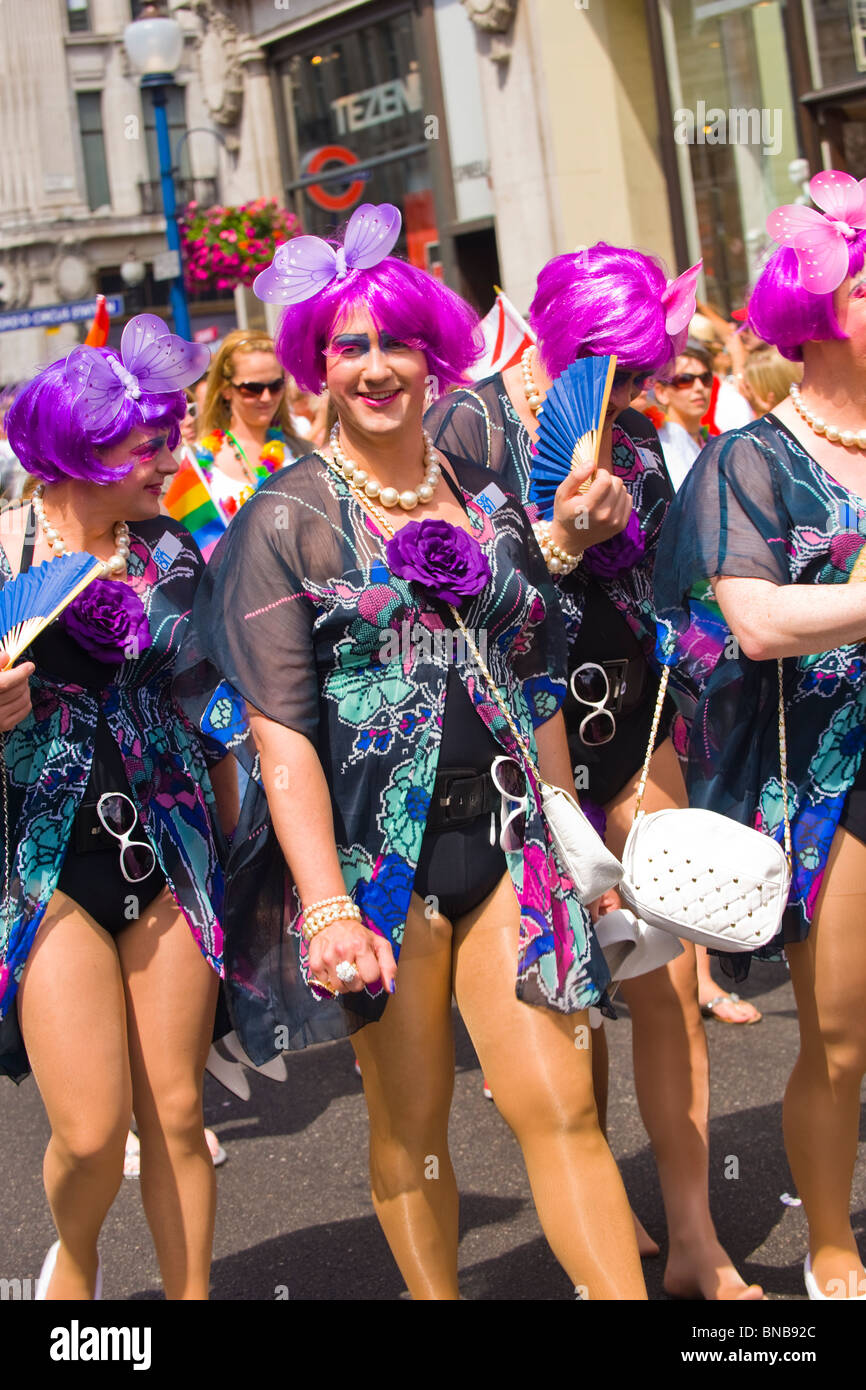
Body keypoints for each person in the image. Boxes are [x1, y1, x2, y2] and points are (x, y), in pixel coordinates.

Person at [177, 205, 647, 1301]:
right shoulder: (282, 521)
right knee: (409, 1125)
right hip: (377, 865)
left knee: (564, 1105)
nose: (376, 366)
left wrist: (572, 822)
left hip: (507, 834)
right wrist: (327, 903)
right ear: (315, 365)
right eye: (349, 345)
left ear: (432, 352)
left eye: (395, 342)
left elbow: (531, 663)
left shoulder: (479, 488)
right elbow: (282, 729)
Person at [427, 243, 762, 1299]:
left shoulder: (631, 436)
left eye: (646, 369)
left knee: (665, 980)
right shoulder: (468, 428)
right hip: (522, 754)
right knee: (572, 991)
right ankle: (601, 1207)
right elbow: (472, 607)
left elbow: (658, 591)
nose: (634, 392)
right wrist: (561, 539)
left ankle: (697, 1236)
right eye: (618, 368)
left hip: (631, 728)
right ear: (568, 345)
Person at [654, 169, 866, 1300]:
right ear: (822, 310)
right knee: (839, 1038)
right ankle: (828, 1237)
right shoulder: (751, 458)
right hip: (833, 772)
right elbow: (753, 620)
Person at [0, 315, 237, 1300]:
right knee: (92, 1132)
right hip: (46, 862)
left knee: (176, 1112)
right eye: (146, 444)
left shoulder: (173, 546)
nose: (167, 457)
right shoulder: (5, 549)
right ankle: (79, 1260)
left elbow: (213, 701)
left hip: (170, 847)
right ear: (80, 447)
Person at [166, 330, 306, 526]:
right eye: (252, 388)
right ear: (226, 389)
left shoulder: (304, 453)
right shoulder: (193, 461)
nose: (266, 397)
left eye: (275, 386)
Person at [653, 342, 714, 491]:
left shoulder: (714, 440)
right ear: (661, 392)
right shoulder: (657, 445)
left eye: (705, 378)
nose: (700, 388)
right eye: (685, 380)